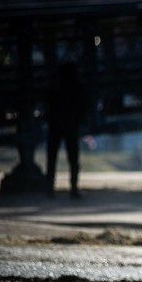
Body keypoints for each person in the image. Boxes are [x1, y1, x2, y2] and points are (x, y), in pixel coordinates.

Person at [45, 62, 86, 199]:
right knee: (73, 158)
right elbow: (81, 105)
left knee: (52, 158)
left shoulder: (54, 86)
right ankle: (73, 188)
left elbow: (48, 105)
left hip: (55, 125)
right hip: (70, 126)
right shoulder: (76, 86)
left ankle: (50, 188)